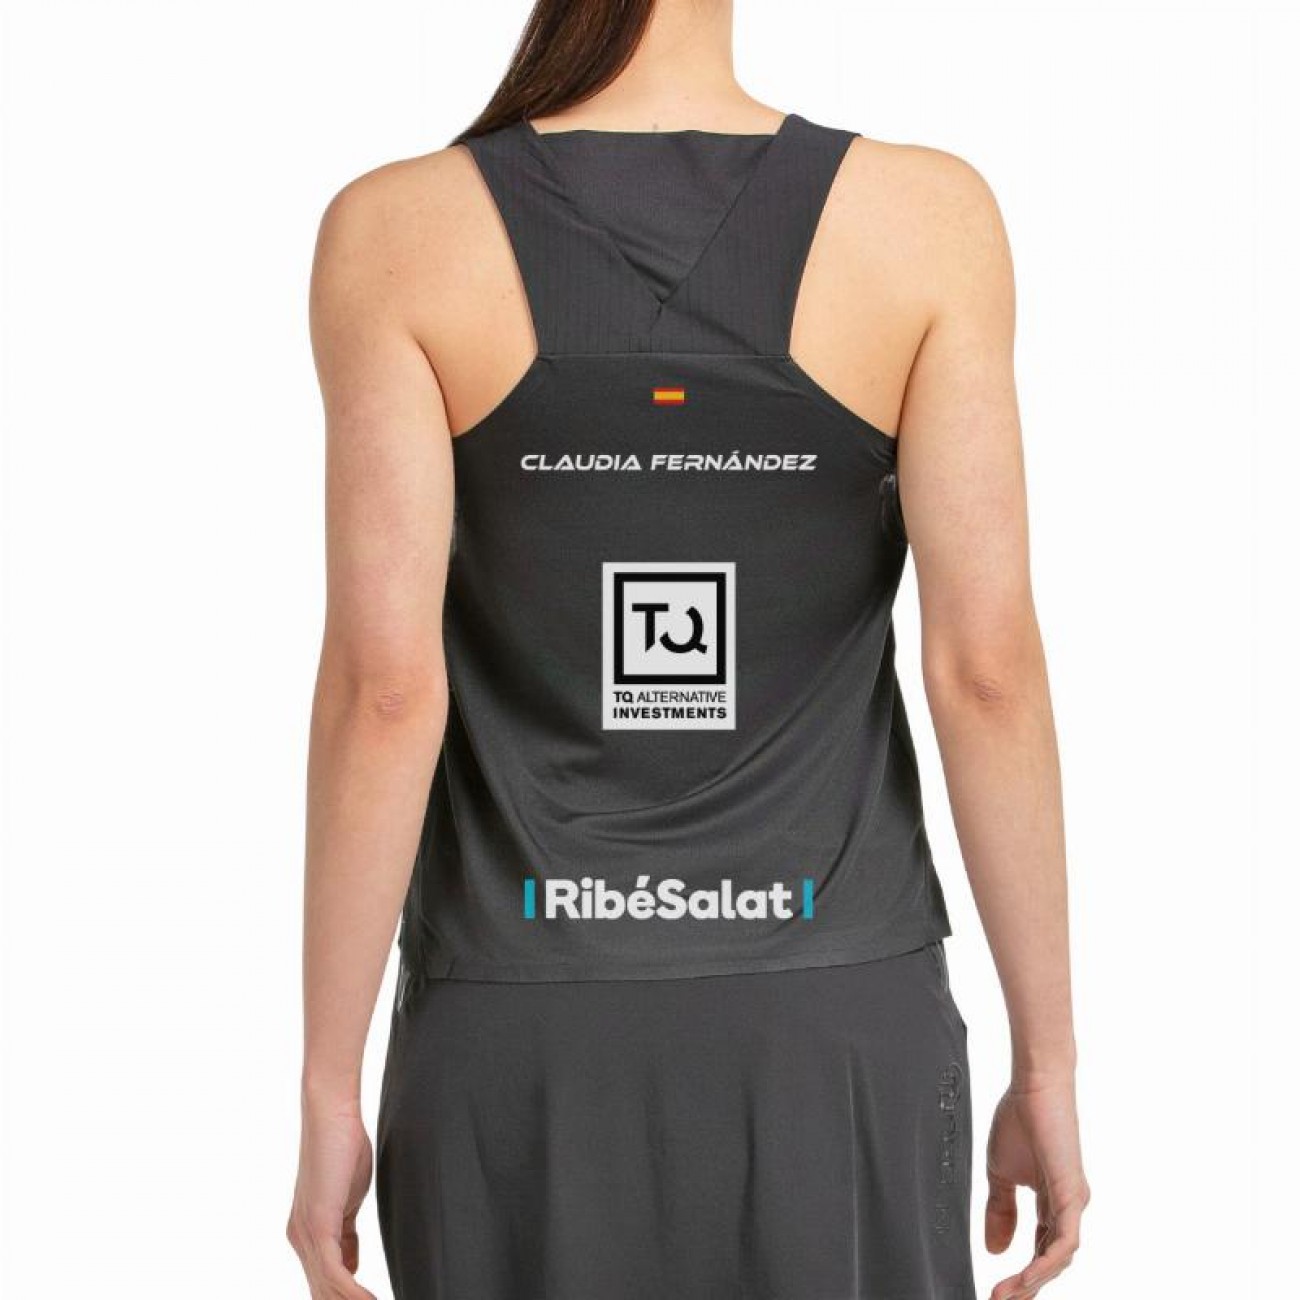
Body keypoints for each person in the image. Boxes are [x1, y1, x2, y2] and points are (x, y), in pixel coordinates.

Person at [285, 1, 1090, 1297]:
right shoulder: (926, 221)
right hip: (832, 1020)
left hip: (518, 1018)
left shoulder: (397, 232)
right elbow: (985, 673)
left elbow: (384, 693)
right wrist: (1047, 1066)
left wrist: (329, 1091)